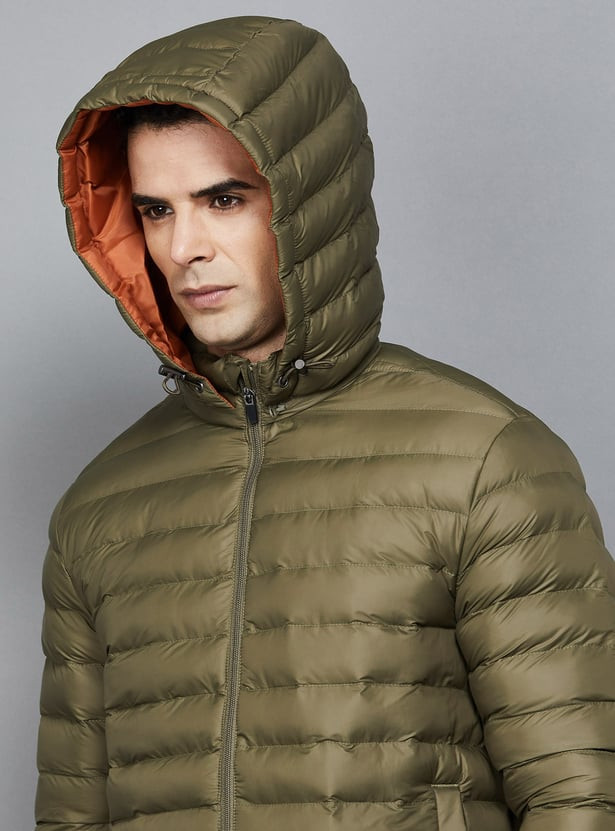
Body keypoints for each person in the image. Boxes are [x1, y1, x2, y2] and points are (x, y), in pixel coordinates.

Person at [36, 15, 614, 831]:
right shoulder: (100, 503)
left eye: (223, 200)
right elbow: (72, 816)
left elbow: (580, 798)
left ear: (311, 205)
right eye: (155, 210)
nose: (184, 247)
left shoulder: (483, 458)